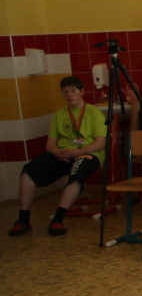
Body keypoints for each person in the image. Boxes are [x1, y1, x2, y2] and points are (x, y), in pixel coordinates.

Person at [9, 76, 107, 237]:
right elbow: (50, 144)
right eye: (65, 91)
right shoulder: (59, 115)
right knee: (28, 172)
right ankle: (23, 219)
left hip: (88, 154)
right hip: (63, 154)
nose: (69, 94)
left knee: (76, 176)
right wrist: (56, 152)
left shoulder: (94, 113)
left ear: (82, 92)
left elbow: (101, 143)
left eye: (73, 90)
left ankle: (58, 219)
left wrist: (79, 152)